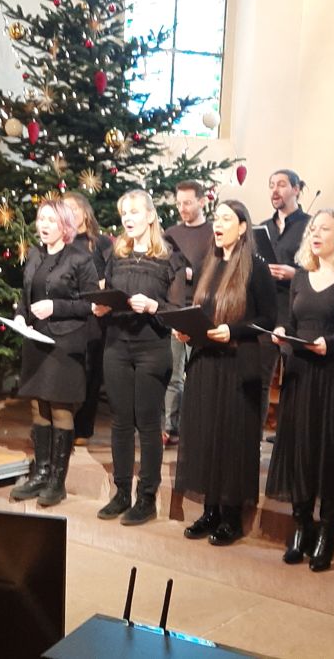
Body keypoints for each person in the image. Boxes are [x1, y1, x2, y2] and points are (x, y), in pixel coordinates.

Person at [265, 208, 334, 571]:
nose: (315, 233)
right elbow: (292, 321)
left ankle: (327, 531)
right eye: (313, 228)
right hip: (300, 374)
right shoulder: (301, 276)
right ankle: (301, 526)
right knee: (301, 448)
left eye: (324, 229)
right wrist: (283, 334)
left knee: (331, 451)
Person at [175, 200, 277, 546]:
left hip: (237, 361)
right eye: (216, 218)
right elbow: (199, 309)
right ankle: (210, 510)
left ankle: (231, 516)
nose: (217, 225)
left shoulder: (256, 267)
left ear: (243, 227)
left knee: (231, 438)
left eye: (226, 219)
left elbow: (268, 318)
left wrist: (233, 330)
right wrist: (187, 331)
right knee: (206, 435)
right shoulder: (209, 263)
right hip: (205, 361)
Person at [93, 190, 180, 526]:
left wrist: (155, 306)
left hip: (151, 347)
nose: (128, 219)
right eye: (124, 213)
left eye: (134, 212)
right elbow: (108, 294)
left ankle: (146, 497)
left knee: (148, 423)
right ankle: (121, 493)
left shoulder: (168, 259)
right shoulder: (116, 256)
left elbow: (177, 309)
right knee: (120, 421)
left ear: (150, 216)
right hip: (117, 344)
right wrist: (102, 306)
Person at [9, 199, 99, 506]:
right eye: (40, 219)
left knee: (60, 408)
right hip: (35, 339)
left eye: (50, 220)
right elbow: (26, 294)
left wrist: (55, 307)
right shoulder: (35, 254)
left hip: (65, 342)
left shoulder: (80, 259)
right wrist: (20, 316)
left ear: (65, 225)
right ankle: (41, 474)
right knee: (39, 406)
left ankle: (57, 482)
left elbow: (91, 304)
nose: (43, 225)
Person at [257, 170, 311, 438]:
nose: (275, 190)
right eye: (271, 185)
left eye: (281, 185)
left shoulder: (310, 226)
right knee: (261, 378)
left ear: (297, 189)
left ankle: (290, 437)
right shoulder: (263, 227)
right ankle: (253, 438)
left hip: (295, 310)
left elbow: (320, 268)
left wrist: (294, 274)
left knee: (294, 378)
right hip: (266, 309)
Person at [162, 180, 214, 449]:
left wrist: (197, 274)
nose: (182, 208)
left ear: (202, 202)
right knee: (173, 373)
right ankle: (169, 428)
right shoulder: (171, 234)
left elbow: (221, 271)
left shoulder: (213, 232)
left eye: (188, 203)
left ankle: (195, 427)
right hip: (176, 308)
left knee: (198, 373)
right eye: (179, 203)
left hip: (202, 311)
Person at [64, 191, 114, 447]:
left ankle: (83, 427)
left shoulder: (101, 243)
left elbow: (111, 275)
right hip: (70, 311)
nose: (69, 214)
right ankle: (62, 425)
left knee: (91, 370)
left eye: (73, 209)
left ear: (84, 212)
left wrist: (100, 287)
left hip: (95, 314)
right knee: (68, 368)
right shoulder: (63, 243)